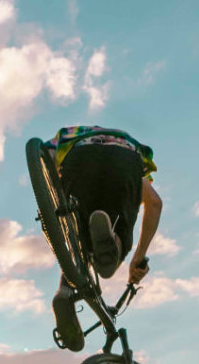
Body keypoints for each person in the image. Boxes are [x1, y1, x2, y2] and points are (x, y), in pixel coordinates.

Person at [40, 125, 162, 351]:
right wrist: (138, 257)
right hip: (124, 161)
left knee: (77, 228)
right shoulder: (129, 150)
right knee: (115, 241)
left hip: (79, 158)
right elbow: (154, 203)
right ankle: (114, 244)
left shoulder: (69, 136)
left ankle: (64, 290)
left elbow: (42, 157)